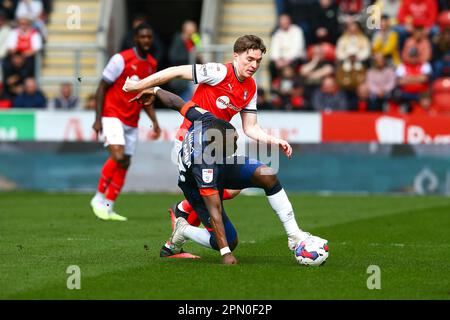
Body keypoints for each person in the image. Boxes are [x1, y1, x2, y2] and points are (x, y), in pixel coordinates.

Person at [123, 35, 295, 256]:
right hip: (191, 142)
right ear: (236, 56)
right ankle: (197, 231)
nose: (253, 65)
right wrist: (139, 85)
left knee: (231, 191)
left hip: (216, 144)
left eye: (258, 61)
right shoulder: (218, 72)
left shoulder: (250, 87)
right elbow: (175, 71)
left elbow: (250, 128)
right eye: (249, 59)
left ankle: (181, 217)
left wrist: (275, 140)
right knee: (211, 192)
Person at [134, 86, 327, 264]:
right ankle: (183, 228)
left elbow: (176, 102)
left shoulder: (206, 118)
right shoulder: (205, 165)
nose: (235, 144)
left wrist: (155, 90)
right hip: (193, 184)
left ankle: (294, 234)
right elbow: (214, 209)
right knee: (228, 240)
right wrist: (226, 253)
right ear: (218, 146)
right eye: (232, 143)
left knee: (266, 174)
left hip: (219, 160)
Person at [90, 23, 161, 221]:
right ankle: (97, 197)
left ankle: (109, 206)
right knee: (119, 156)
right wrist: (97, 119)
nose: (146, 40)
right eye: (143, 37)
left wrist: (155, 122)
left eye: (149, 37)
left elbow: (145, 98)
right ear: (135, 39)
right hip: (112, 115)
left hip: (132, 119)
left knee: (125, 163)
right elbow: (102, 87)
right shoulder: (120, 59)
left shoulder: (151, 64)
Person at [269, 13, 305, 81]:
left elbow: (297, 49)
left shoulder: (297, 31)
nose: (284, 23)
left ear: (289, 21)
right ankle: (274, 86)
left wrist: (287, 61)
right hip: (281, 60)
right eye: (282, 22)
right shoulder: (277, 33)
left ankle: (292, 85)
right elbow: (274, 50)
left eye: (285, 21)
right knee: (271, 66)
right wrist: (277, 60)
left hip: (295, 59)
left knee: (291, 66)